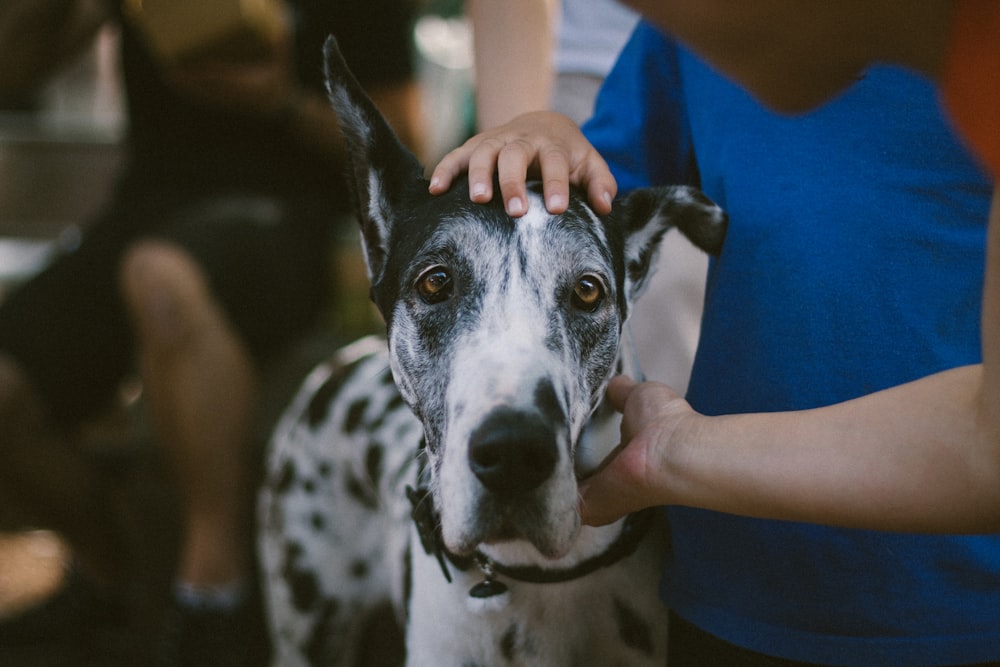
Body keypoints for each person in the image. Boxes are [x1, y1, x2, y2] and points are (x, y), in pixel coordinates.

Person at [429, 0, 1000, 664]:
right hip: (727, 587)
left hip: (962, 606)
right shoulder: (688, 43)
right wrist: (549, 135)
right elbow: (592, 202)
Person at [0, 1, 421, 664]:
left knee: (159, 275)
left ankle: (212, 596)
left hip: (288, 221)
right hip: (144, 209)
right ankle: (116, 579)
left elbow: (404, 148)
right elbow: (11, 70)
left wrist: (281, 103)